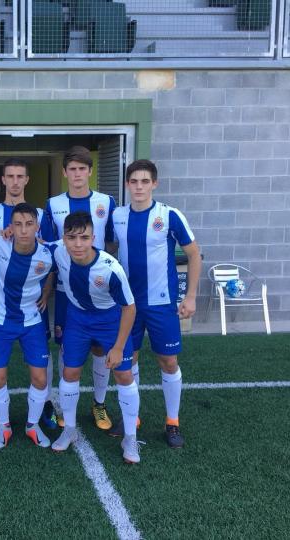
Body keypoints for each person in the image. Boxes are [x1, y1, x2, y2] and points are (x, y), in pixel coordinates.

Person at [111, 159, 201, 448]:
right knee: (129, 361)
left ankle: (172, 421)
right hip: (128, 305)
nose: (139, 187)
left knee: (168, 361)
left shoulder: (169, 215)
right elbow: (108, 251)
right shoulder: (117, 216)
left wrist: (190, 296)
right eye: (134, 181)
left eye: (145, 181)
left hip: (161, 304)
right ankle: (132, 418)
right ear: (127, 184)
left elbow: (194, 255)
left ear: (154, 184)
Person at [44, 212, 141, 464]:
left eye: (84, 238)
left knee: (124, 375)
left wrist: (118, 347)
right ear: (63, 238)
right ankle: (70, 430)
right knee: (69, 373)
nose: (78, 244)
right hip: (77, 319)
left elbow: (129, 308)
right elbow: (33, 242)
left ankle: (130, 437)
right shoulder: (58, 251)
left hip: (109, 320)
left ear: (93, 238)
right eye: (71, 237)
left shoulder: (110, 268)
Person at [40, 146, 118, 432]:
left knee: (99, 348)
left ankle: (99, 403)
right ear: (64, 172)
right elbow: (50, 250)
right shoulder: (53, 204)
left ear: (90, 171)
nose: (77, 174)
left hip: (100, 291)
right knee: (65, 346)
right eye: (72, 169)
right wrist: (48, 289)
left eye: (82, 169)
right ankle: (64, 403)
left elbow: (111, 243)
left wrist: (104, 273)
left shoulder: (106, 202)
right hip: (66, 291)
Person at [0, 158, 58, 430]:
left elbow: (52, 256)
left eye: (20, 176)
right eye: (10, 176)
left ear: (27, 180)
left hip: (33, 310)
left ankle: (44, 404)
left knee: (41, 361)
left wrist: (47, 291)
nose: (15, 181)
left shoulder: (40, 216)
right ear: (3, 179)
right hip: (1, 310)